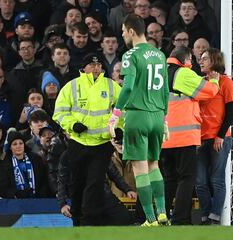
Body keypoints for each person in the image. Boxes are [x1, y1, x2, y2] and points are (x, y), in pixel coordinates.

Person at [109, 13, 169, 227]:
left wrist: (115, 114)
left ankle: (151, 220)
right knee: (154, 165)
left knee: (140, 168)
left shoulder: (130, 54)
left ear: (131, 31)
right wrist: (165, 120)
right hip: (157, 115)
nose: (123, 35)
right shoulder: (159, 54)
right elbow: (165, 90)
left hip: (137, 115)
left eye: (124, 31)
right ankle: (162, 213)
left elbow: (128, 86)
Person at [53, 52, 122, 226]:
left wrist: (119, 127)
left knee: (95, 183)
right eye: (92, 65)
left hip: (102, 143)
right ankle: (77, 219)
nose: (96, 68)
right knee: (78, 183)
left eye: (99, 65)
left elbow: (124, 109)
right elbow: (59, 112)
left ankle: (92, 222)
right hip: (79, 142)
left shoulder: (111, 85)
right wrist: (72, 124)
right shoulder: (72, 86)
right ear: (83, 68)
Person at [161, 46, 219, 225]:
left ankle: (161, 216)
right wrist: (215, 81)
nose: (192, 64)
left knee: (168, 179)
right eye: (190, 61)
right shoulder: (183, 74)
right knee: (187, 178)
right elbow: (208, 91)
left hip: (164, 137)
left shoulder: (160, 73)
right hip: (183, 136)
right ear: (185, 60)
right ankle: (180, 219)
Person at [196, 48, 233, 225]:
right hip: (200, 138)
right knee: (200, 181)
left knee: (216, 179)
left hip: (219, 138)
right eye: (201, 58)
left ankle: (215, 217)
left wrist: (220, 136)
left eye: (205, 58)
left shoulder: (226, 82)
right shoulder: (200, 82)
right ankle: (205, 216)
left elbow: (231, 112)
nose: (201, 61)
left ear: (214, 60)